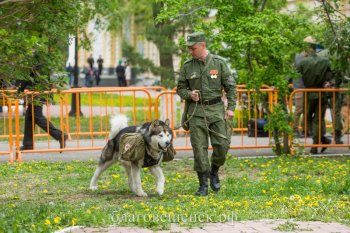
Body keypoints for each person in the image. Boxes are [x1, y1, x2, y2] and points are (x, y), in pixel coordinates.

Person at [176, 32, 236, 196]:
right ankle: (203, 184)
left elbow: (230, 87)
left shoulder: (219, 63)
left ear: (202, 45)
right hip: (196, 112)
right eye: (189, 48)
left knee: (222, 146)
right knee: (199, 149)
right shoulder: (188, 66)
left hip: (216, 111)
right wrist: (189, 95)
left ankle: (214, 171)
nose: (190, 51)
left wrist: (231, 108)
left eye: (193, 48)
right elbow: (180, 89)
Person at [18, 55, 68, 151]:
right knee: (30, 117)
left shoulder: (31, 60)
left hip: (35, 94)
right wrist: (48, 96)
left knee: (37, 117)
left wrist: (19, 90)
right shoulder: (43, 60)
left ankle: (59, 135)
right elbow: (47, 80)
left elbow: (26, 77)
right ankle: (28, 144)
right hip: (38, 93)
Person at [296, 36, 332, 154]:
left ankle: (316, 144)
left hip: (309, 92)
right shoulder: (325, 61)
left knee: (307, 118)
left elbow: (293, 75)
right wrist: (329, 83)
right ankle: (321, 140)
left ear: (307, 50)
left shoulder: (303, 62)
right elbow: (332, 76)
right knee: (318, 119)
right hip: (322, 93)